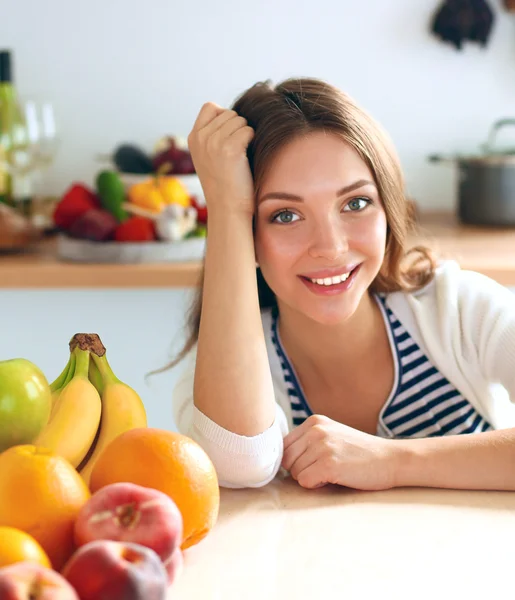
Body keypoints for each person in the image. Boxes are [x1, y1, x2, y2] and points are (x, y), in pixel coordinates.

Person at [169, 77, 515, 492]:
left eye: (356, 203)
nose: (330, 248)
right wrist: (225, 205)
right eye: (285, 215)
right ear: (249, 237)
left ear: (388, 209)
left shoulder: (459, 309)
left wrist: (390, 462)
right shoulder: (222, 365)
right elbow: (235, 464)